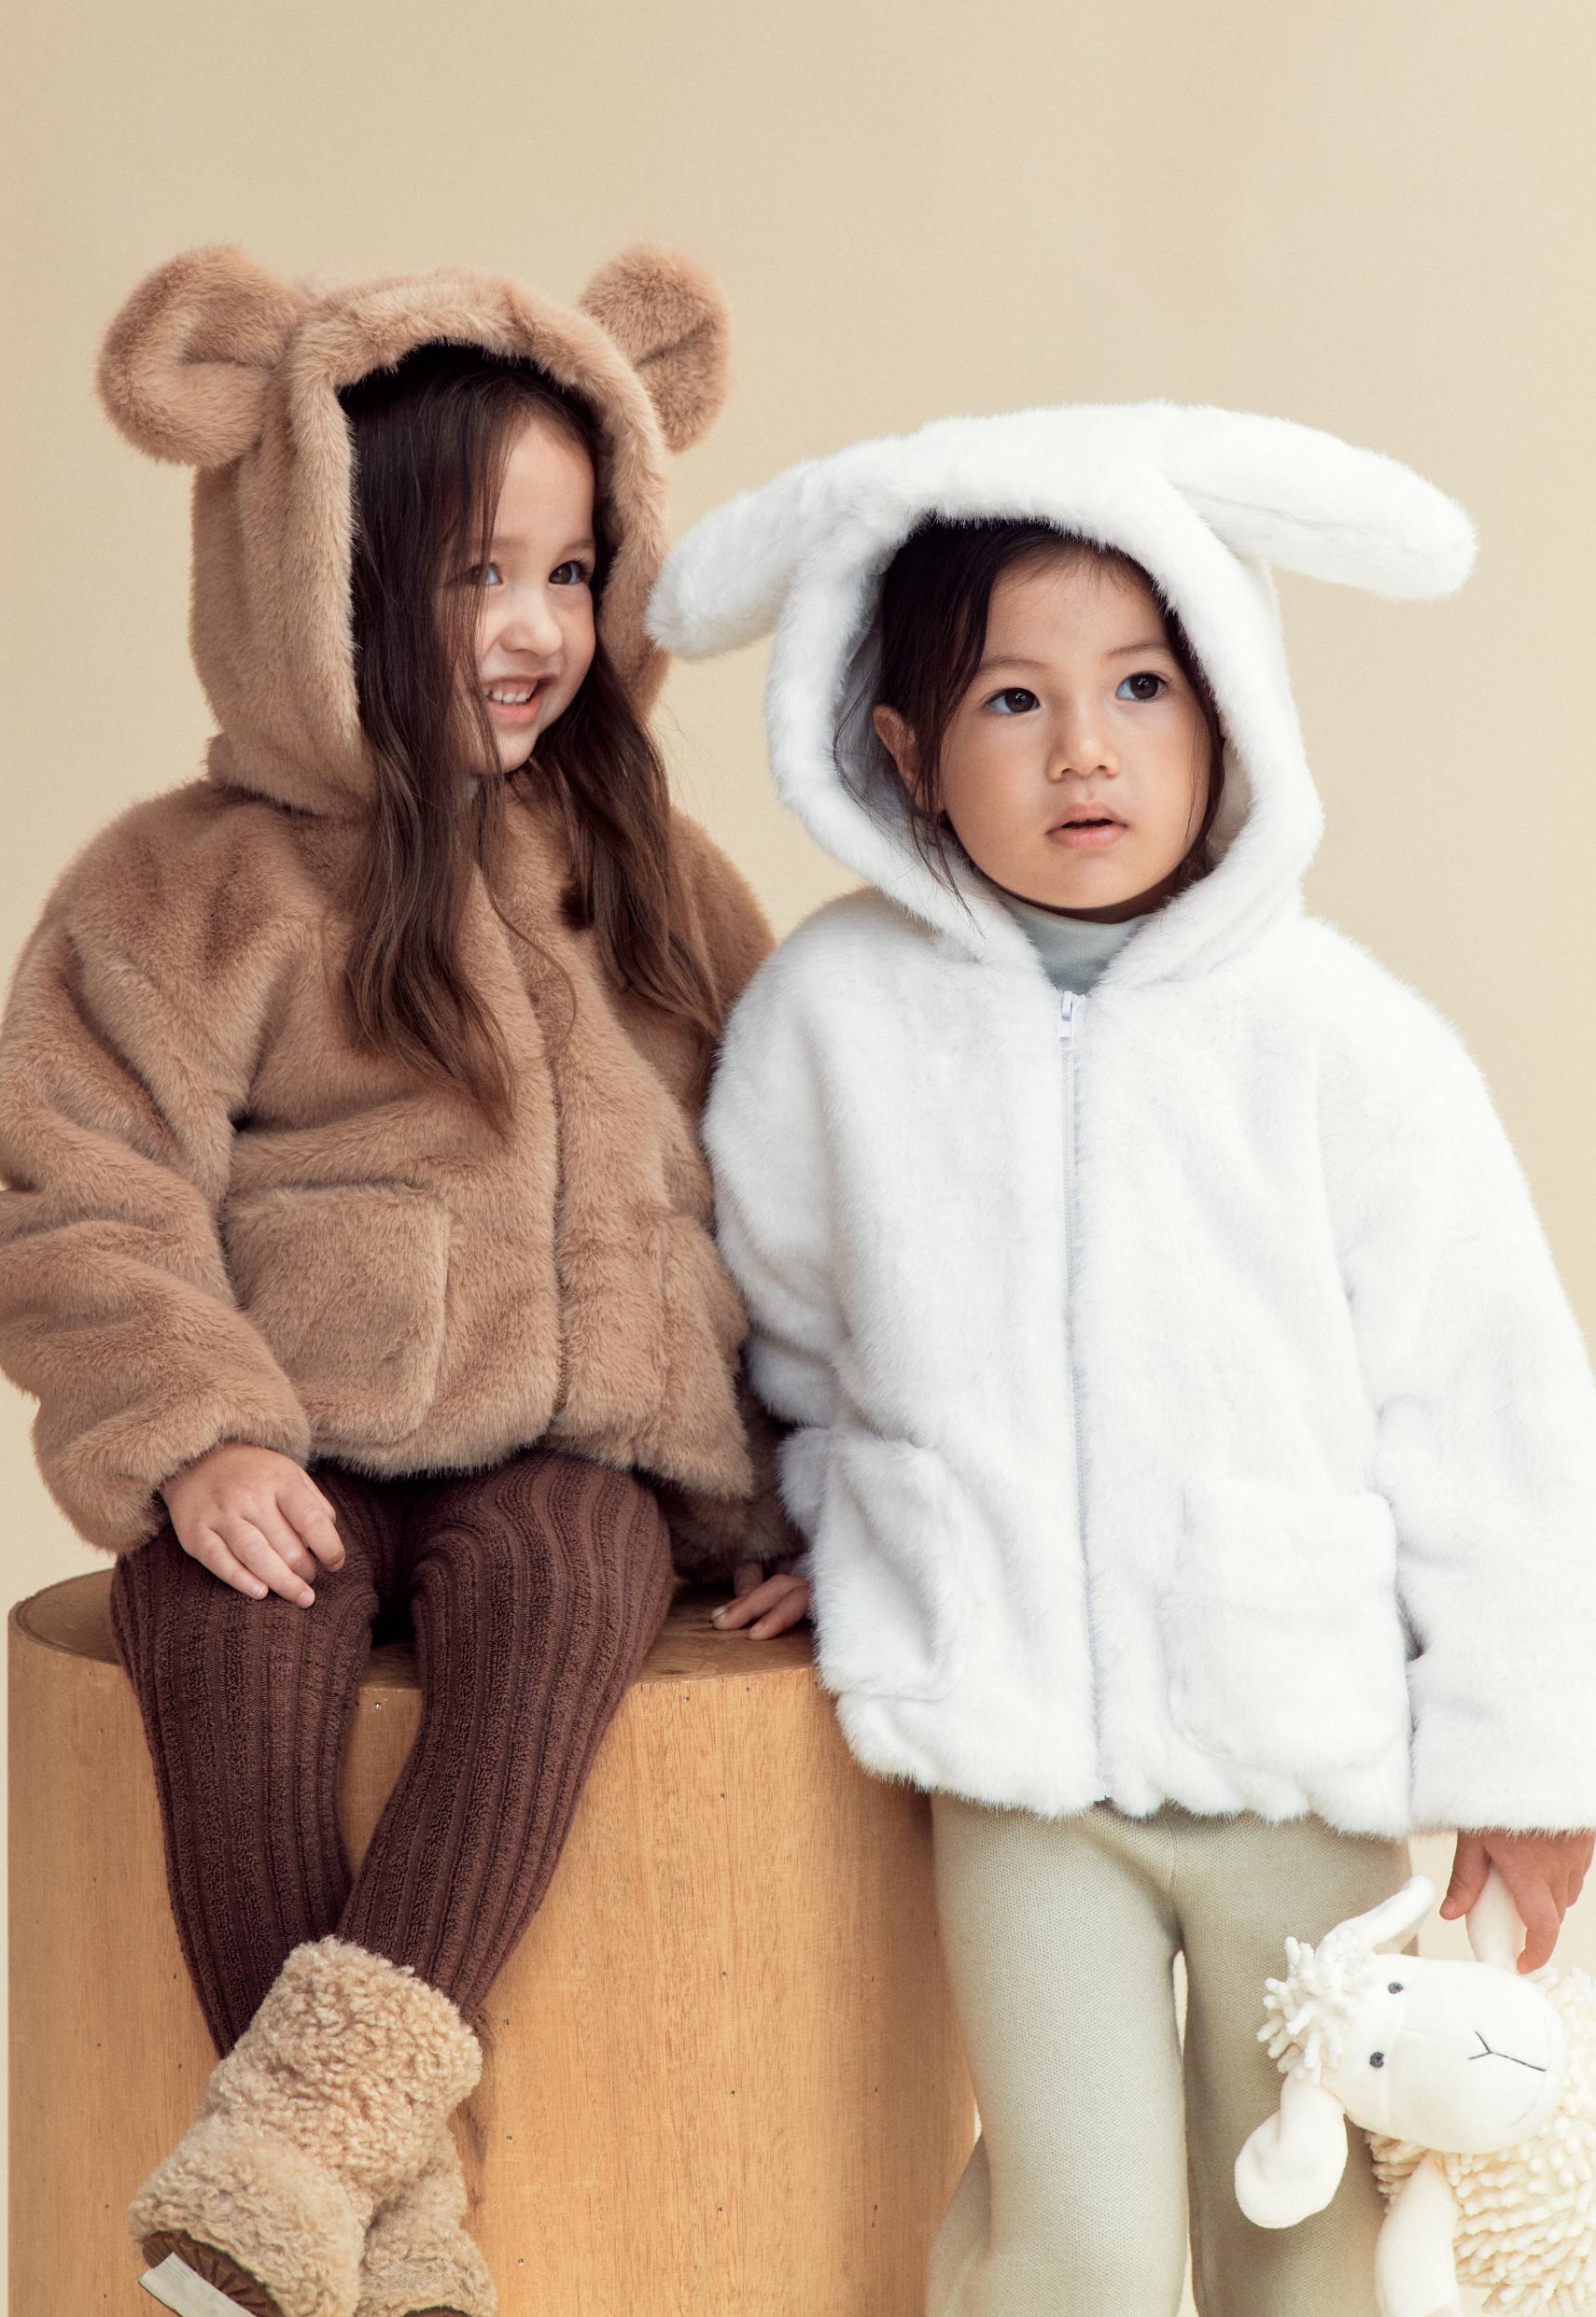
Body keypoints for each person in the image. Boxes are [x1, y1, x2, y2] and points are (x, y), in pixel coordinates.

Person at [668, 402, 1596, 2316]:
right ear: (901, 750)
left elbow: (1491, 1406)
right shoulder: (835, 1018)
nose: (1084, 747)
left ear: (1229, 709)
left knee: (1304, 2230)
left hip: (1298, 1754)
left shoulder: (1342, 1037)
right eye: (1013, 699)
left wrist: (1526, 1752)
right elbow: (785, 1320)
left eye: (1141, 685)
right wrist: (830, 1523)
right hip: (1015, 1758)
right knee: (1073, 2242)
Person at [0, 242, 797, 2317]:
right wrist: (197, 1431)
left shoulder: (649, 871)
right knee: (232, 1636)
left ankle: (292, 2148)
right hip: (297, 1445)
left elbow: (798, 1182)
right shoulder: (187, 882)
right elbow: (85, 1185)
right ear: (317, 574)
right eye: (471, 573)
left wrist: (812, 1494)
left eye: (572, 572)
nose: (534, 629)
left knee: (572, 1577)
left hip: (578, 1456)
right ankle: (384, 2212)